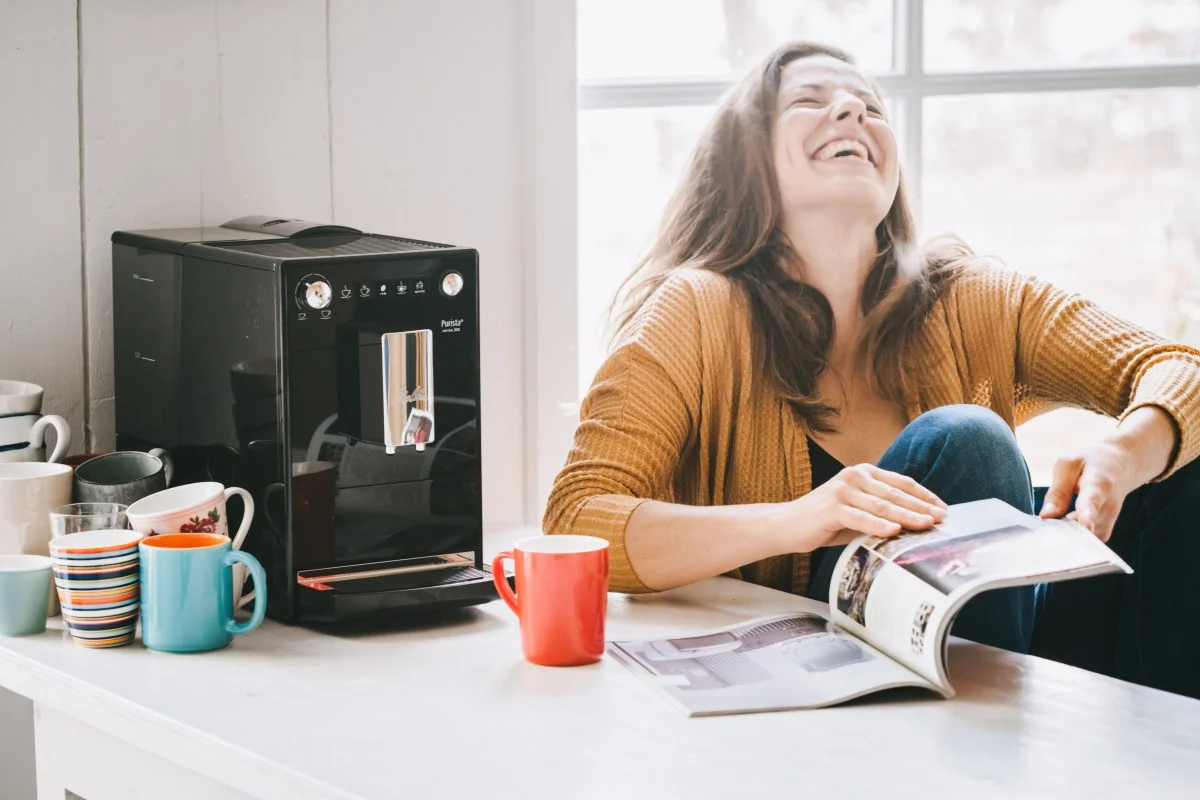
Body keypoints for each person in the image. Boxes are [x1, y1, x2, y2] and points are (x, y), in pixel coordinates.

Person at [544, 41, 1200, 699]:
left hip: (1004, 658)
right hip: (817, 670)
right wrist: (798, 519)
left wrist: (1129, 451)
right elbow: (577, 518)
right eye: (809, 100)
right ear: (747, 160)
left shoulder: (972, 297)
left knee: (1180, 454)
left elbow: (1179, 370)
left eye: (870, 107)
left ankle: (1167, 745)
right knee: (968, 442)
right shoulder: (696, 310)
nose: (852, 110)